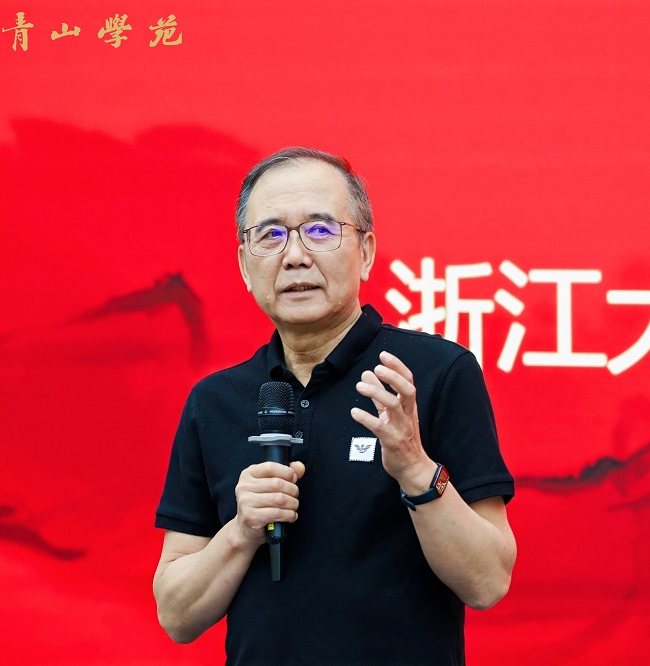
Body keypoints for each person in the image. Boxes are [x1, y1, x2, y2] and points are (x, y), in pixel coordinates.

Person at [153, 147, 517, 665]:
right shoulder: (215, 401)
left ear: (366, 251)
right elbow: (176, 615)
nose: (295, 256)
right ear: (244, 265)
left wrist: (415, 468)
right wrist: (241, 531)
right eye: (270, 235)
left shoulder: (431, 374)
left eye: (320, 230)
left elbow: (488, 582)